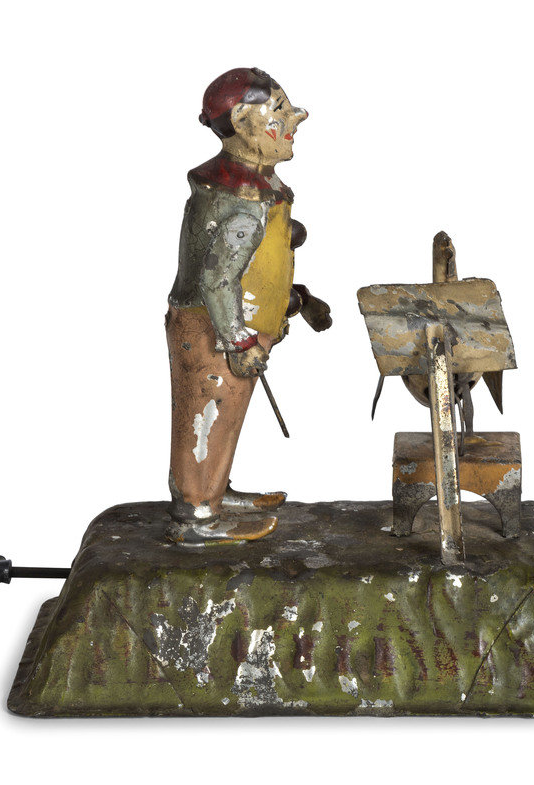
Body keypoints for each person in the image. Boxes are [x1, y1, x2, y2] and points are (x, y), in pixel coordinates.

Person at [165, 68, 331, 544]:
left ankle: (214, 492)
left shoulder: (260, 188)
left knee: (225, 418)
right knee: (206, 421)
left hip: (237, 327)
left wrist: (295, 299)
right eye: (280, 109)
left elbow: (259, 265)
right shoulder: (242, 201)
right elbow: (218, 280)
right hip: (215, 330)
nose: (297, 116)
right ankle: (196, 514)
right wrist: (238, 340)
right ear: (241, 121)